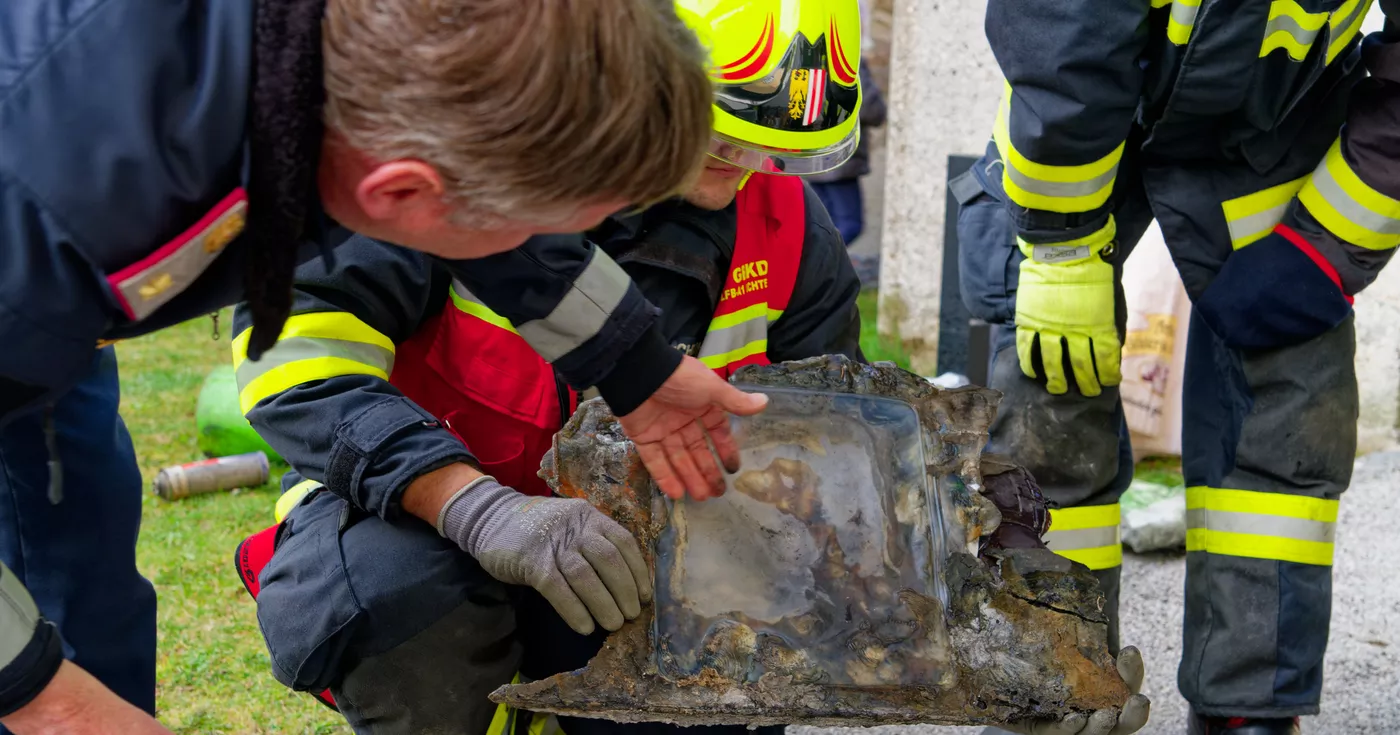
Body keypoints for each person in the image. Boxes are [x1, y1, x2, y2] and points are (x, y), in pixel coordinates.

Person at [0, 1, 746, 732]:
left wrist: (637, 367)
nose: (549, 249)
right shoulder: (48, 209)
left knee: (79, 558)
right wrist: (49, 702)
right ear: (398, 192)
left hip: (52, 310)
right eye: (543, 230)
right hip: (33, 274)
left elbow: (498, 212)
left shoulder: (399, 60)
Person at [229, 1, 867, 727]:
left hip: (633, 558)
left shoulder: (787, 229)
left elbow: (830, 452)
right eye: (720, 131)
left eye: (771, 145)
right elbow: (294, 362)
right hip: (424, 526)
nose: (747, 163)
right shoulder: (473, 166)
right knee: (388, 593)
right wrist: (474, 507)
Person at [956, 1, 1400, 733]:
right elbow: (1063, 35)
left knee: (1287, 405)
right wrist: (1061, 245)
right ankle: (1049, 681)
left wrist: (1332, 241)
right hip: (1080, 134)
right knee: (1042, 396)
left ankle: (1247, 706)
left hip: (1277, 128)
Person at [806, 63, 887, 246]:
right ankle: (815, 267)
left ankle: (813, 266)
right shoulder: (848, 58)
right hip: (838, 158)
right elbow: (870, 107)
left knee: (824, 226)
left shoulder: (803, 54)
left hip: (810, 156)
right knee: (850, 225)